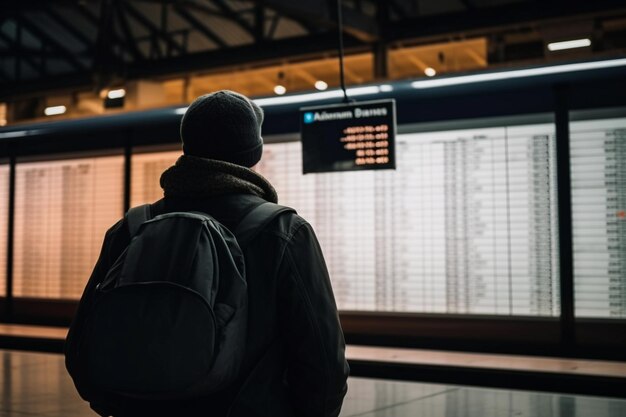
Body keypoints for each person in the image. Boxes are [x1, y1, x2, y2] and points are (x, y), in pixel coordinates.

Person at [65, 90, 350, 417]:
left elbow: (80, 350)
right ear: (253, 156)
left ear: (188, 148)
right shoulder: (284, 232)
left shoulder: (131, 228)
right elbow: (324, 365)